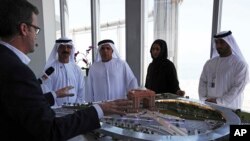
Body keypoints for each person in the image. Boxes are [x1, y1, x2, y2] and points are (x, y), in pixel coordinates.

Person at [0, 0, 130, 140]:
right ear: (24, 29)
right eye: (35, 29)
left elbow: (25, 104)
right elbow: (49, 129)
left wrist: (55, 95)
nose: (36, 35)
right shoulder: (19, 71)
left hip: (71, 115)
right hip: (55, 117)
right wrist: (100, 109)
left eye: (69, 47)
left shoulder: (7, 62)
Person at [199, 30, 249, 109]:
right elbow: (203, 82)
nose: (218, 46)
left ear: (229, 43)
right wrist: (204, 99)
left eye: (222, 42)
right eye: (216, 42)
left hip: (230, 109)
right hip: (209, 107)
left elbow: (237, 88)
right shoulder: (209, 63)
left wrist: (219, 101)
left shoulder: (240, 65)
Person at [42, 37, 85, 106]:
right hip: (56, 111)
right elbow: (47, 90)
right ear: (57, 49)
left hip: (75, 110)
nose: (65, 49)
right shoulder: (49, 69)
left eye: (68, 47)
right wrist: (56, 110)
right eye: (62, 47)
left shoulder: (77, 69)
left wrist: (76, 107)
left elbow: (81, 91)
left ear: (71, 50)